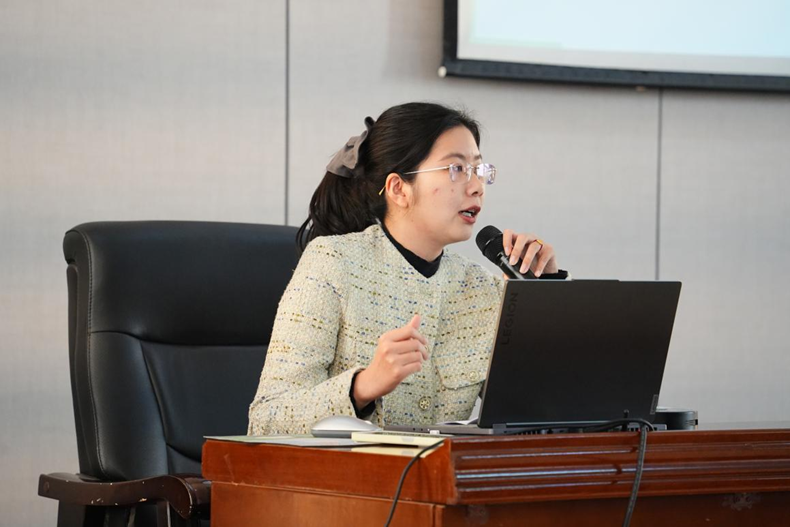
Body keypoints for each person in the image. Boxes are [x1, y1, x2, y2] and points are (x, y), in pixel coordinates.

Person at [248, 102, 566, 435]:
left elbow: (545, 414)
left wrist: (543, 301)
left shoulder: (482, 288)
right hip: (350, 469)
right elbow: (266, 420)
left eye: (479, 169)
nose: (477, 187)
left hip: (447, 468)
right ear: (399, 189)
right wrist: (363, 386)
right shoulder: (332, 262)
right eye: (457, 168)